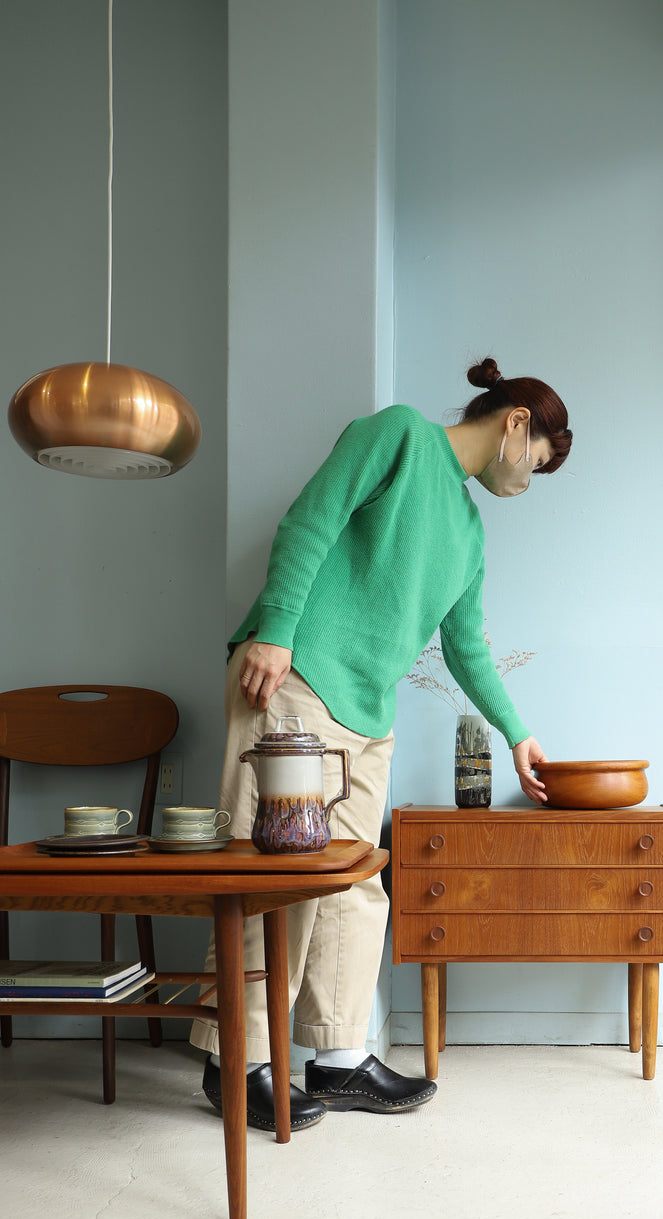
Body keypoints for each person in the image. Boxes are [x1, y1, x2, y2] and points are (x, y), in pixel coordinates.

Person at [190, 357, 573, 1130]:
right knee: (274, 878)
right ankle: (238, 1060)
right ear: (516, 424)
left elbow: (466, 645)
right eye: (537, 463)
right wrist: (275, 631)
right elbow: (311, 519)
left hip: (369, 714)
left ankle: (337, 1058)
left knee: (357, 883)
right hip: (295, 678)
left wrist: (518, 733)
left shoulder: (468, 534)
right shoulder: (399, 436)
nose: (529, 481)